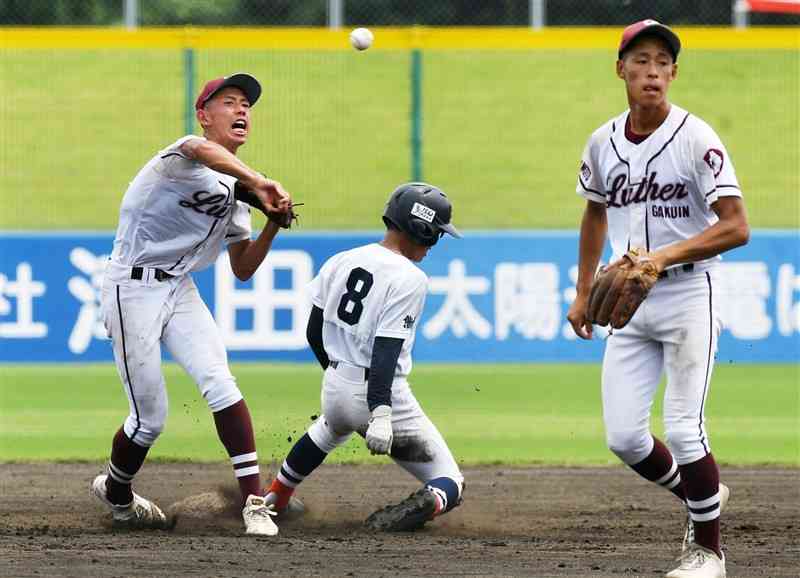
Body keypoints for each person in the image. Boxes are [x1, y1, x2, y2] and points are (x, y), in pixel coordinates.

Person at [567, 20, 750, 578]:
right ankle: (705, 495)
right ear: (620, 68)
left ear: (673, 73)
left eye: (663, 63)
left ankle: (708, 551)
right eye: (641, 60)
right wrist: (581, 291)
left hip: (692, 290)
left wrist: (662, 258)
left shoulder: (697, 138)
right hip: (632, 296)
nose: (653, 71)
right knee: (624, 435)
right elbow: (595, 210)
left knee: (682, 429)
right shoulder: (603, 140)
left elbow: (737, 226)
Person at [91, 73, 292, 536]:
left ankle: (254, 503)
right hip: (131, 287)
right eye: (229, 102)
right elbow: (199, 151)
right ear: (204, 115)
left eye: (246, 104)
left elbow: (242, 268)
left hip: (179, 288)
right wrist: (259, 182)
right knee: (149, 419)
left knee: (220, 381)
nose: (241, 110)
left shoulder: (240, 198)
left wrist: (272, 224)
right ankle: (117, 491)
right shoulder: (181, 158)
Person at [263, 182, 465, 532]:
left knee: (328, 430)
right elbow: (386, 350)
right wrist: (381, 414)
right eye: (436, 234)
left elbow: (314, 332)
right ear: (421, 228)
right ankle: (420, 506)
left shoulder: (342, 259)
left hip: (335, 385)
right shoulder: (410, 278)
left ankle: (274, 500)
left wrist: (339, 376)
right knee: (451, 481)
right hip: (379, 395)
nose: (436, 243)